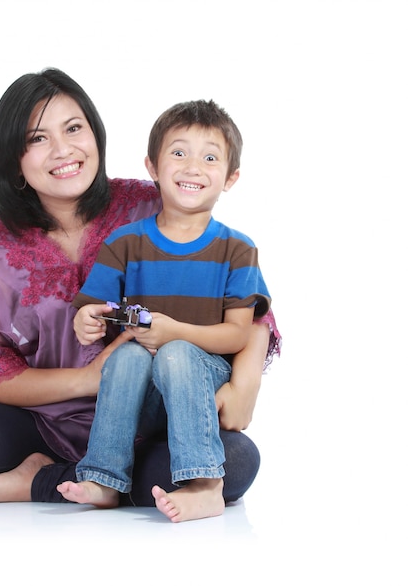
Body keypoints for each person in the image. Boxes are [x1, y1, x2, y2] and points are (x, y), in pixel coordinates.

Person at [0, 68, 281, 508]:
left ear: (95, 135)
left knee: (236, 462)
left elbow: (251, 309)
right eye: (37, 138)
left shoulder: (150, 205)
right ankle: (69, 473)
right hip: (38, 421)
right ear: (12, 159)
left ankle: (47, 482)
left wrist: (245, 385)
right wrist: (86, 379)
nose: (63, 150)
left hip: (148, 421)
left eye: (74, 128)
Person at [57, 99, 271, 522]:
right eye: (178, 153)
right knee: (128, 353)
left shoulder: (237, 250)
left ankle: (206, 485)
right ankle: (104, 478)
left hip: (201, 382)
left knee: (175, 353)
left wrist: (176, 332)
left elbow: (237, 335)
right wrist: (86, 319)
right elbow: (93, 307)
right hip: (140, 396)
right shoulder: (126, 242)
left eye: (210, 157)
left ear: (230, 178)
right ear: (152, 166)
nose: (193, 167)